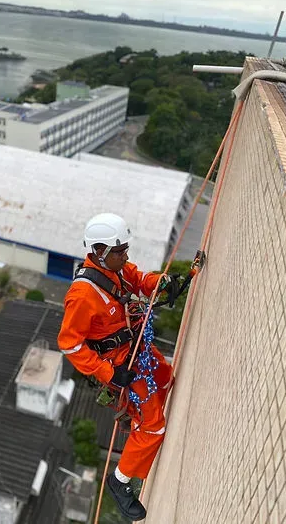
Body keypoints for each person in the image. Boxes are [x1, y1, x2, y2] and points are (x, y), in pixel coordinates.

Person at [57, 213, 174, 521]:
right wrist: (110, 375)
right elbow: (70, 344)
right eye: (120, 250)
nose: (126, 255)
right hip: (120, 365)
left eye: (125, 248)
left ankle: (141, 419)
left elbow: (140, 279)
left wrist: (162, 284)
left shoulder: (115, 270)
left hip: (135, 351)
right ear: (98, 251)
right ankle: (120, 481)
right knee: (154, 426)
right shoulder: (83, 295)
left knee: (165, 377)